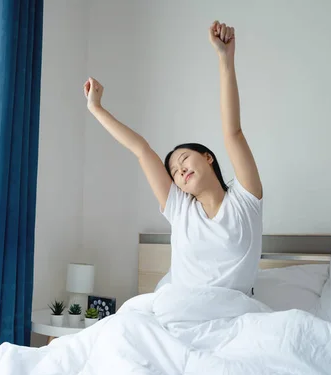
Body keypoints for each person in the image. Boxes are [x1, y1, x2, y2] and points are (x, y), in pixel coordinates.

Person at [84, 21, 263, 295]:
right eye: (175, 172)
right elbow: (141, 150)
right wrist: (96, 109)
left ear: (208, 158)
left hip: (234, 315)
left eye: (184, 159)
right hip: (179, 310)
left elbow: (233, 132)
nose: (180, 170)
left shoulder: (245, 201)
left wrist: (225, 58)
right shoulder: (181, 209)